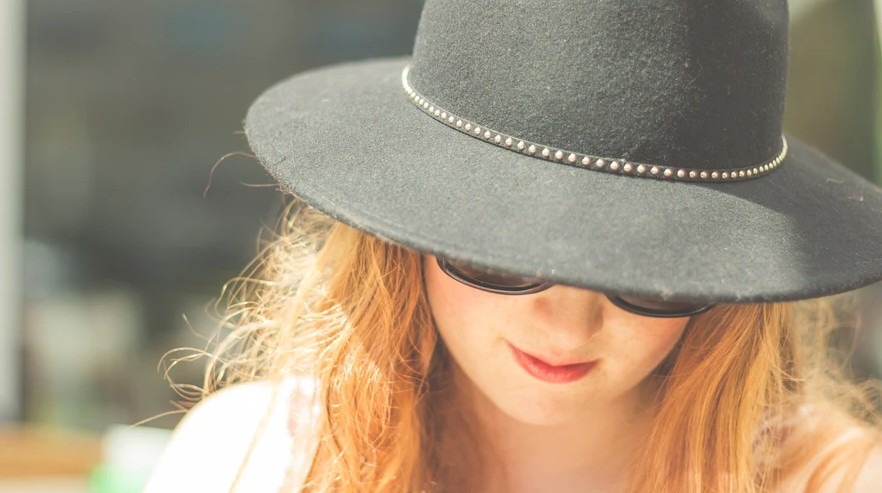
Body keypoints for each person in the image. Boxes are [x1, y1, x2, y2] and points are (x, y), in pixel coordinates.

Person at [146, 0, 882, 491]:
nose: (567, 323)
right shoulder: (259, 462)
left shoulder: (834, 481)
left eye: (650, 269)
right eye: (502, 253)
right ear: (404, 238)